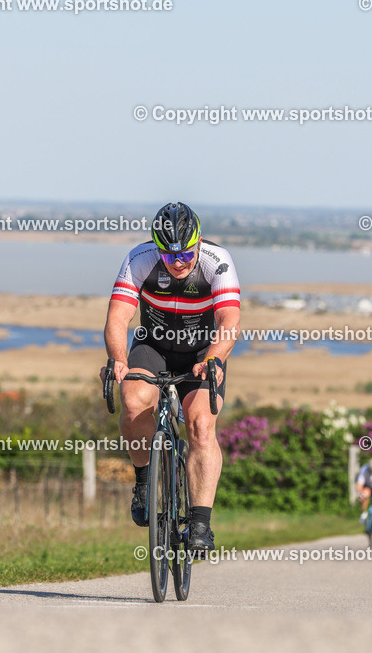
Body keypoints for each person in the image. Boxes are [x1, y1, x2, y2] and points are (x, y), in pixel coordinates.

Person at [102, 202, 240, 553]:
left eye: (186, 254)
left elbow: (229, 321)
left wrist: (213, 358)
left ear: (198, 242)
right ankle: (144, 481)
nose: (178, 262)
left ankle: (200, 522)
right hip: (154, 346)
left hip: (201, 353)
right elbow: (118, 318)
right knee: (133, 403)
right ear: (157, 247)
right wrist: (118, 359)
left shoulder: (217, 261)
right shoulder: (139, 259)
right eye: (169, 255)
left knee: (201, 426)